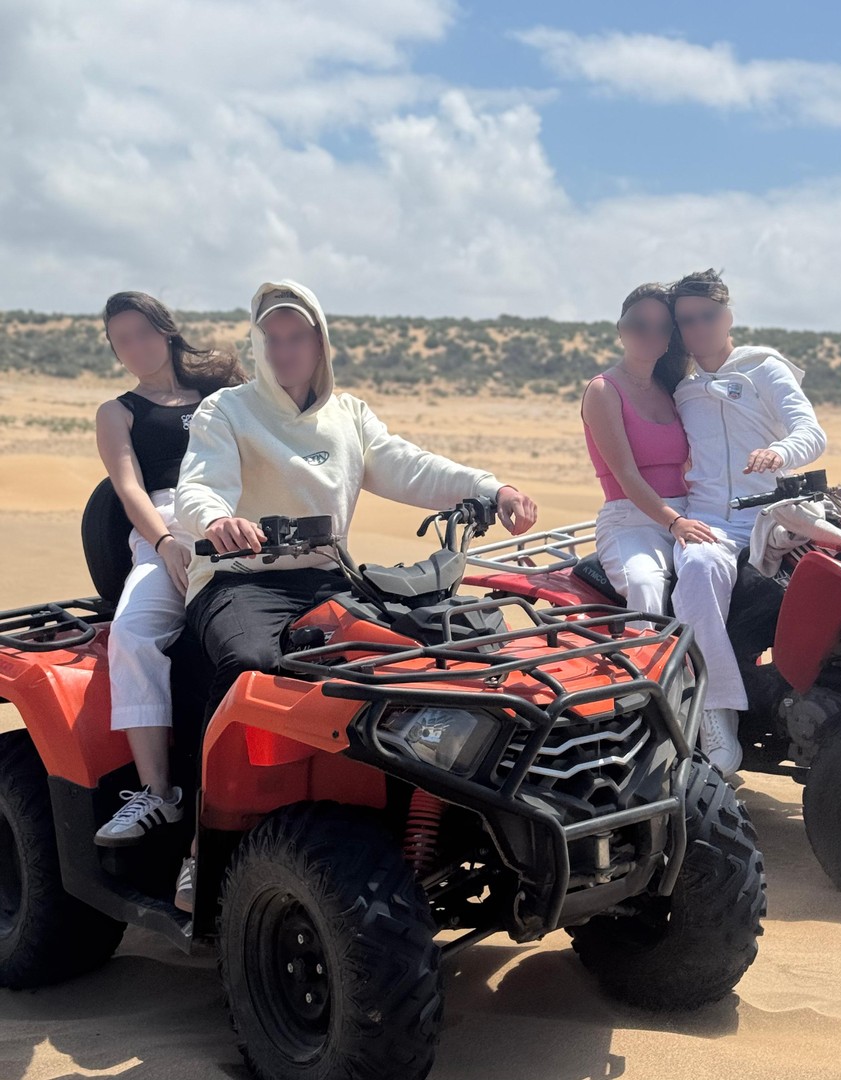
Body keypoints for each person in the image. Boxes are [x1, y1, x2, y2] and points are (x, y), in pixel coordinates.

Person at [173, 280, 538, 909]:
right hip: (240, 579)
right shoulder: (226, 411)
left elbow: (411, 465)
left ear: (320, 342)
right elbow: (199, 485)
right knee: (251, 665)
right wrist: (217, 521)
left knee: (424, 660)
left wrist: (490, 488)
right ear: (257, 342)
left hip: (327, 577)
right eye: (271, 338)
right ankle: (200, 843)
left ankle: (423, 813)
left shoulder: (349, 414)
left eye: (296, 337)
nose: (284, 350)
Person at [93, 292, 246, 847]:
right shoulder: (118, 412)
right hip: (166, 528)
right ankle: (158, 792)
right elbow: (128, 487)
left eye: (142, 332)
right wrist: (162, 543)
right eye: (122, 341)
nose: (135, 347)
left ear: (166, 330)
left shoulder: (220, 391)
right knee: (132, 633)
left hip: (235, 517)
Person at [670, 269, 827, 777]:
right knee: (697, 569)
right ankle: (716, 717)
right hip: (706, 522)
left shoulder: (764, 368)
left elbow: (811, 433)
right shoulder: (683, 391)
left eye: (708, 315)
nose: (699, 328)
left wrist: (780, 452)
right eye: (687, 320)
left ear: (728, 315)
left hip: (769, 518)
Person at [581, 284, 714, 622]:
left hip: (687, 513)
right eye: (638, 324)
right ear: (621, 329)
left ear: (670, 338)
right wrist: (675, 522)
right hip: (631, 521)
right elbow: (626, 475)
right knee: (645, 584)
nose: (649, 334)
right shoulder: (603, 390)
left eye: (661, 327)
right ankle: (644, 655)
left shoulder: (672, 390)